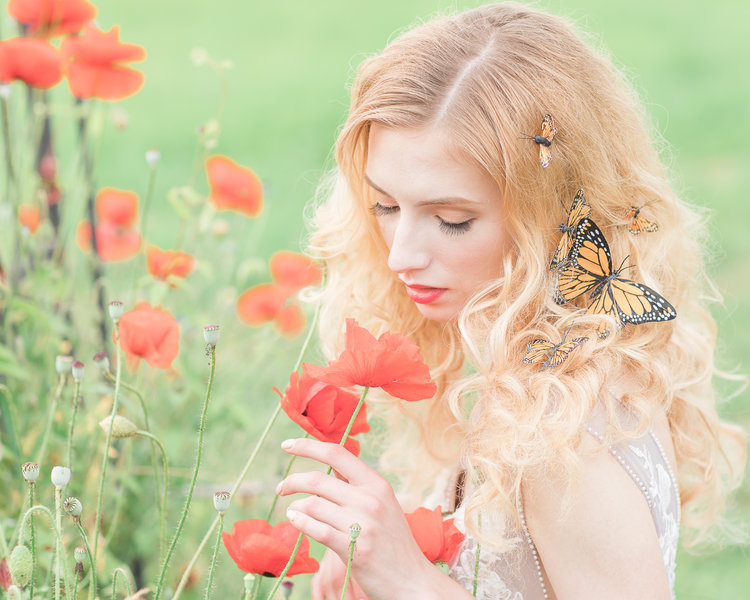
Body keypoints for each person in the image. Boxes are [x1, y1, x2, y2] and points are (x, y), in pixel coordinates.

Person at [274, 3, 746, 599]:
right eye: (386, 206)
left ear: (548, 216)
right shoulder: (547, 374)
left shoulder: (561, 433)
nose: (400, 255)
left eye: (451, 220)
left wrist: (408, 578)